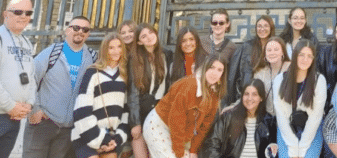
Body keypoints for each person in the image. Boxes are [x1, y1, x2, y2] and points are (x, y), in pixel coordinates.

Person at [23, 15, 98, 158]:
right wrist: (34, 108)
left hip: (68, 130)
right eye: (76, 27)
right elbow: (30, 78)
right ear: (67, 30)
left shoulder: (93, 57)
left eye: (85, 29)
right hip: (43, 123)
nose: (80, 31)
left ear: (88, 34)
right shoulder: (53, 52)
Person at [143, 55, 226, 158]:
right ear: (205, 67)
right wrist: (179, 153)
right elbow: (176, 121)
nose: (214, 73)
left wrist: (193, 150)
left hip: (179, 133)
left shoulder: (214, 94)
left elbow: (204, 127)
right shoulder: (190, 85)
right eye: (211, 67)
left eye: (219, 70)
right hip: (159, 124)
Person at [71, 32, 129, 158]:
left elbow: (125, 112)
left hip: (111, 137)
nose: (116, 51)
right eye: (111, 47)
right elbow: (81, 110)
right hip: (86, 134)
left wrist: (117, 139)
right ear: (104, 50)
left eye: (119, 47)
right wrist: (100, 139)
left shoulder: (124, 76)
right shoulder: (92, 72)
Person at [273, 39, 327, 158]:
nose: (305, 59)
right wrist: (293, 149)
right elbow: (281, 117)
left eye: (309, 56)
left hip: (311, 130)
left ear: (313, 59)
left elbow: (315, 117)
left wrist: (302, 149)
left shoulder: (319, 80)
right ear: (294, 55)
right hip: (286, 129)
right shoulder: (279, 80)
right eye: (301, 55)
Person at [204, 78, 278, 158]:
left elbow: (275, 152)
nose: (249, 98)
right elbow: (211, 145)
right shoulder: (227, 118)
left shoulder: (270, 122)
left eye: (254, 94)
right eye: (246, 94)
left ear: (261, 98)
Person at [128, 23, 171, 158]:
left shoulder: (167, 54)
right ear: (140, 42)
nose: (149, 37)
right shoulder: (135, 59)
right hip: (141, 111)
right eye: (144, 36)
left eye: (151, 33)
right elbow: (132, 93)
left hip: (161, 111)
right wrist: (135, 123)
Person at [0, 0, 36, 158]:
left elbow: (31, 77)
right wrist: (10, 106)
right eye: (18, 11)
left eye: (28, 13)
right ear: (5, 14)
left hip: (15, 117)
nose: (23, 16)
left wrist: (28, 104)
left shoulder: (27, 43)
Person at [229, 15, 277, 104]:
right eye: (259, 26)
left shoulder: (276, 46)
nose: (262, 29)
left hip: (271, 93)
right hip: (251, 95)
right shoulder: (247, 47)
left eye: (266, 26)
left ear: (271, 28)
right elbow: (235, 74)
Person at [254, 37, 291, 115]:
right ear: (265, 54)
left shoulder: (291, 69)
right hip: (268, 118)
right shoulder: (260, 73)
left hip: (289, 118)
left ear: (282, 52)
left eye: (276, 49)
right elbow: (252, 93)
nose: (272, 53)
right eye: (269, 50)